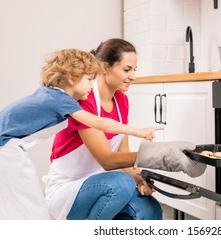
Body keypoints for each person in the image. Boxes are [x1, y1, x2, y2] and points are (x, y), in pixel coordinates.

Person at [0, 48, 162, 220]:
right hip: (3, 149)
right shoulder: (62, 100)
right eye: (90, 79)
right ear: (72, 78)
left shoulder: (54, 96)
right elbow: (100, 123)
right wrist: (139, 132)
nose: (92, 85)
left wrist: (140, 177)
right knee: (27, 210)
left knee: (25, 208)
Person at [44, 39, 206, 220]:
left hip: (105, 184)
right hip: (69, 190)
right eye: (127, 70)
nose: (133, 77)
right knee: (121, 184)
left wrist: (140, 177)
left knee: (149, 210)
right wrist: (159, 155)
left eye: (134, 70)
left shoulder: (121, 101)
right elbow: (107, 160)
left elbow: (122, 155)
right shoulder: (85, 101)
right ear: (104, 67)